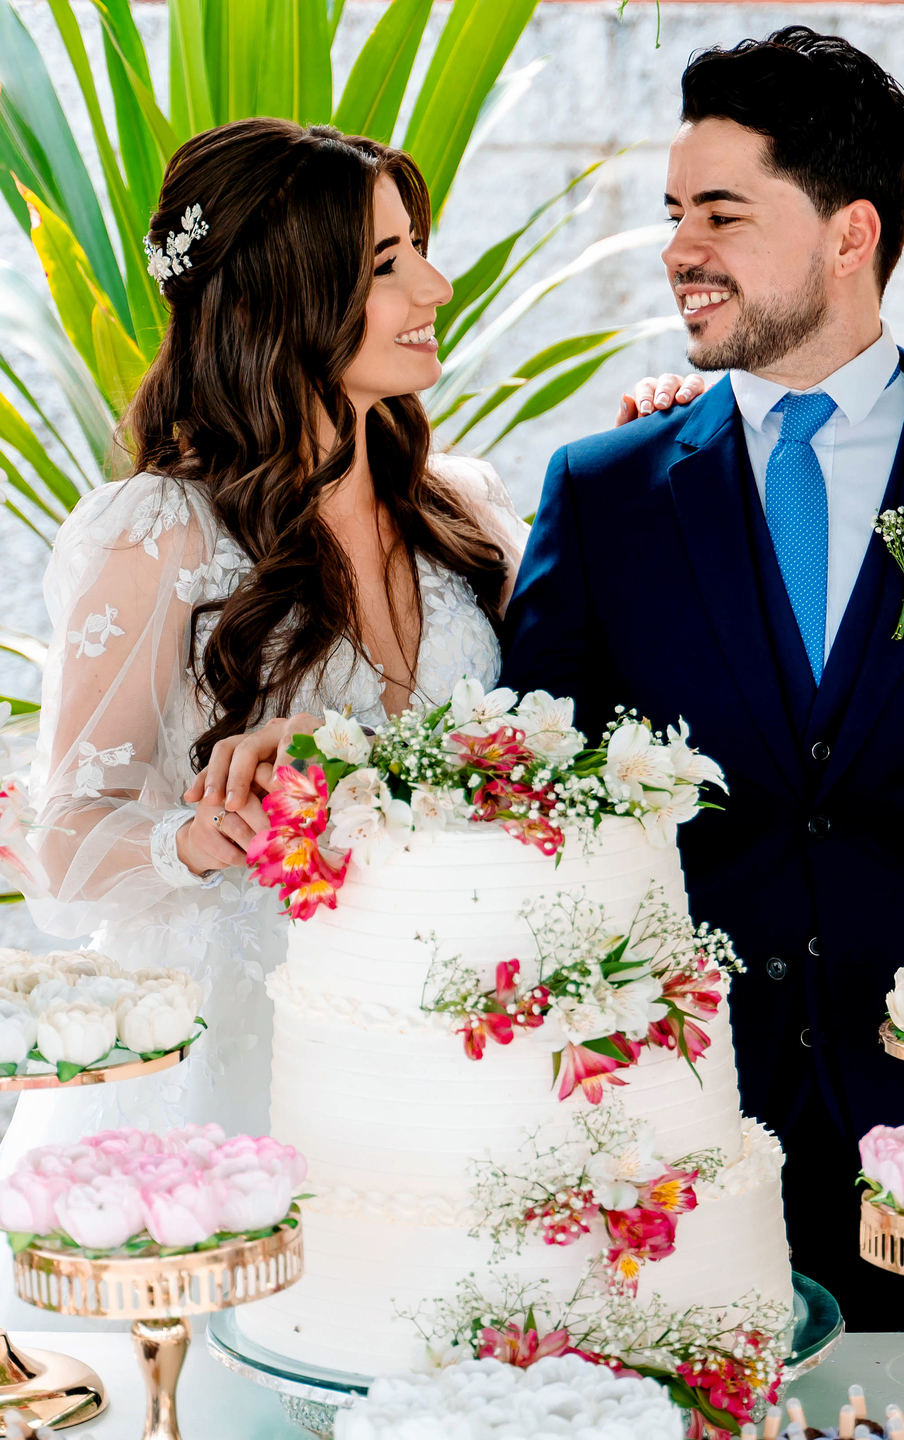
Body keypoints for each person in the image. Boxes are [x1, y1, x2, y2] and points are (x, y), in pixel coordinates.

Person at [500, 28, 904, 1332]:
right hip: (667, 1165)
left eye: (723, 213)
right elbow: (536, 829)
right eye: (675, 212)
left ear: (850, 235)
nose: (682, 247)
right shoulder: (604, 495)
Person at [18, 116, 699, 1160]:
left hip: (444, 1050)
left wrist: (657, 467)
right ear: (269, 300)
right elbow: (65, 835)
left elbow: (543, 752)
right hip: (243, 1067)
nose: (434, 287)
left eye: (417, 248)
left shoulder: (465, 511)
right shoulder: (157, 532)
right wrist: (206, 835)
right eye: (387, 263)